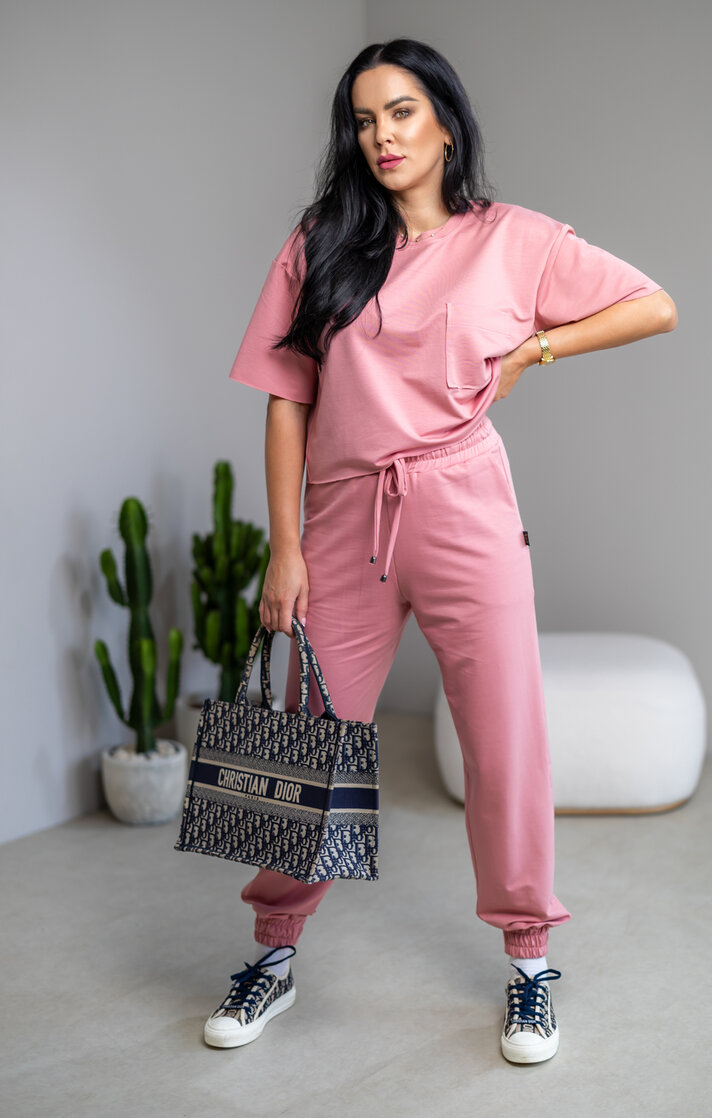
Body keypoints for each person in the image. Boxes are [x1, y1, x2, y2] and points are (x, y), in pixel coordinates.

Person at [203, 37, 677, 1064]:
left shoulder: (511, 238)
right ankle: (271, 952)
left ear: (446, 122)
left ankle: (529, 962)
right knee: (308, 740)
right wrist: (284, 548)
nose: (381, 135)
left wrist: (535, 347)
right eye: (363, 119)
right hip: (342, 519)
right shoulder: (321, 241)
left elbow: (654, 304)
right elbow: (286, 401)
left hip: (465, 507)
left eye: (402, 111)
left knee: (504, 740)